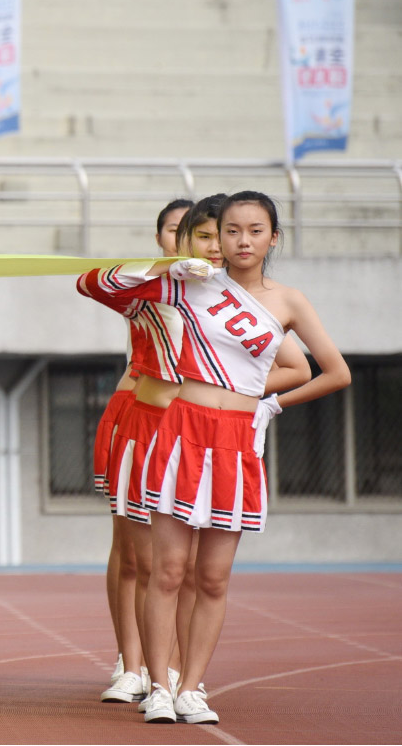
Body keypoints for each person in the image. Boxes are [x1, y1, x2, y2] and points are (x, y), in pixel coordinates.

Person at [79, 191, 349, 724]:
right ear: (217, 236)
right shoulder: (190, 284)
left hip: (235, 441)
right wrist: (162, 267)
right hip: (179, 432)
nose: (242, 241)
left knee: (214, 578)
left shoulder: (288, 301)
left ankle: (192, 687)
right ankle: (159, 685)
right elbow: (93, 283)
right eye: (231, 230)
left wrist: (269, 404)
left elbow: (331, 371)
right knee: (168, 570)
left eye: (255, 230)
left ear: (274, 237)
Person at [90, 197, 189, 700]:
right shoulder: (150, 286)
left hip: (192, 424)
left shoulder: (222, 294)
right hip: (136, 415)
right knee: (131, 554)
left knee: (179, 562)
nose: (184, 238)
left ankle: (169, 666)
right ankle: (131, 663)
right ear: (160, 238)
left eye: (197, 231)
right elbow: (96, 280)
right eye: (174, 229)